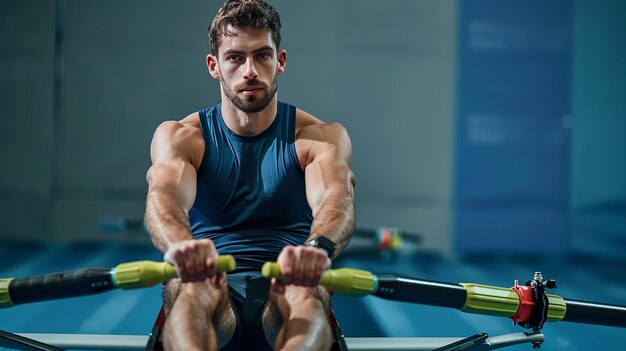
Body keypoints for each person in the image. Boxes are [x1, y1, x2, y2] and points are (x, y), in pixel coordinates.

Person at [144, 1, 356, 350]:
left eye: (262, 56)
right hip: (209, 279)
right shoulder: (183, 136)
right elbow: (163, 195)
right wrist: (181, 246)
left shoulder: (318, 137)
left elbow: (337, 197)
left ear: (280, 62)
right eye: (235, 58)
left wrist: (316, 248)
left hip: (289, 281)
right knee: (192, 285)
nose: (250, 71)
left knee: (305, 290)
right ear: (214, 66)